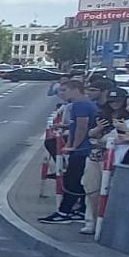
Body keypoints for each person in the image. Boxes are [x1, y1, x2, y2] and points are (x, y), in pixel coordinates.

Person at [41, 80, 98, 224]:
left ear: (76, 90)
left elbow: (82, 127)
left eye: (64, 90)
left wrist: (73, 146)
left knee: (71, 181)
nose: (61, 93)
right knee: (78, 181)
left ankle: (63, 213)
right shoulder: (85, 103)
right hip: (85, 148)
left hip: (82, 149)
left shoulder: (80, 104)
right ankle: (80, 210)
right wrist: (66, 125)